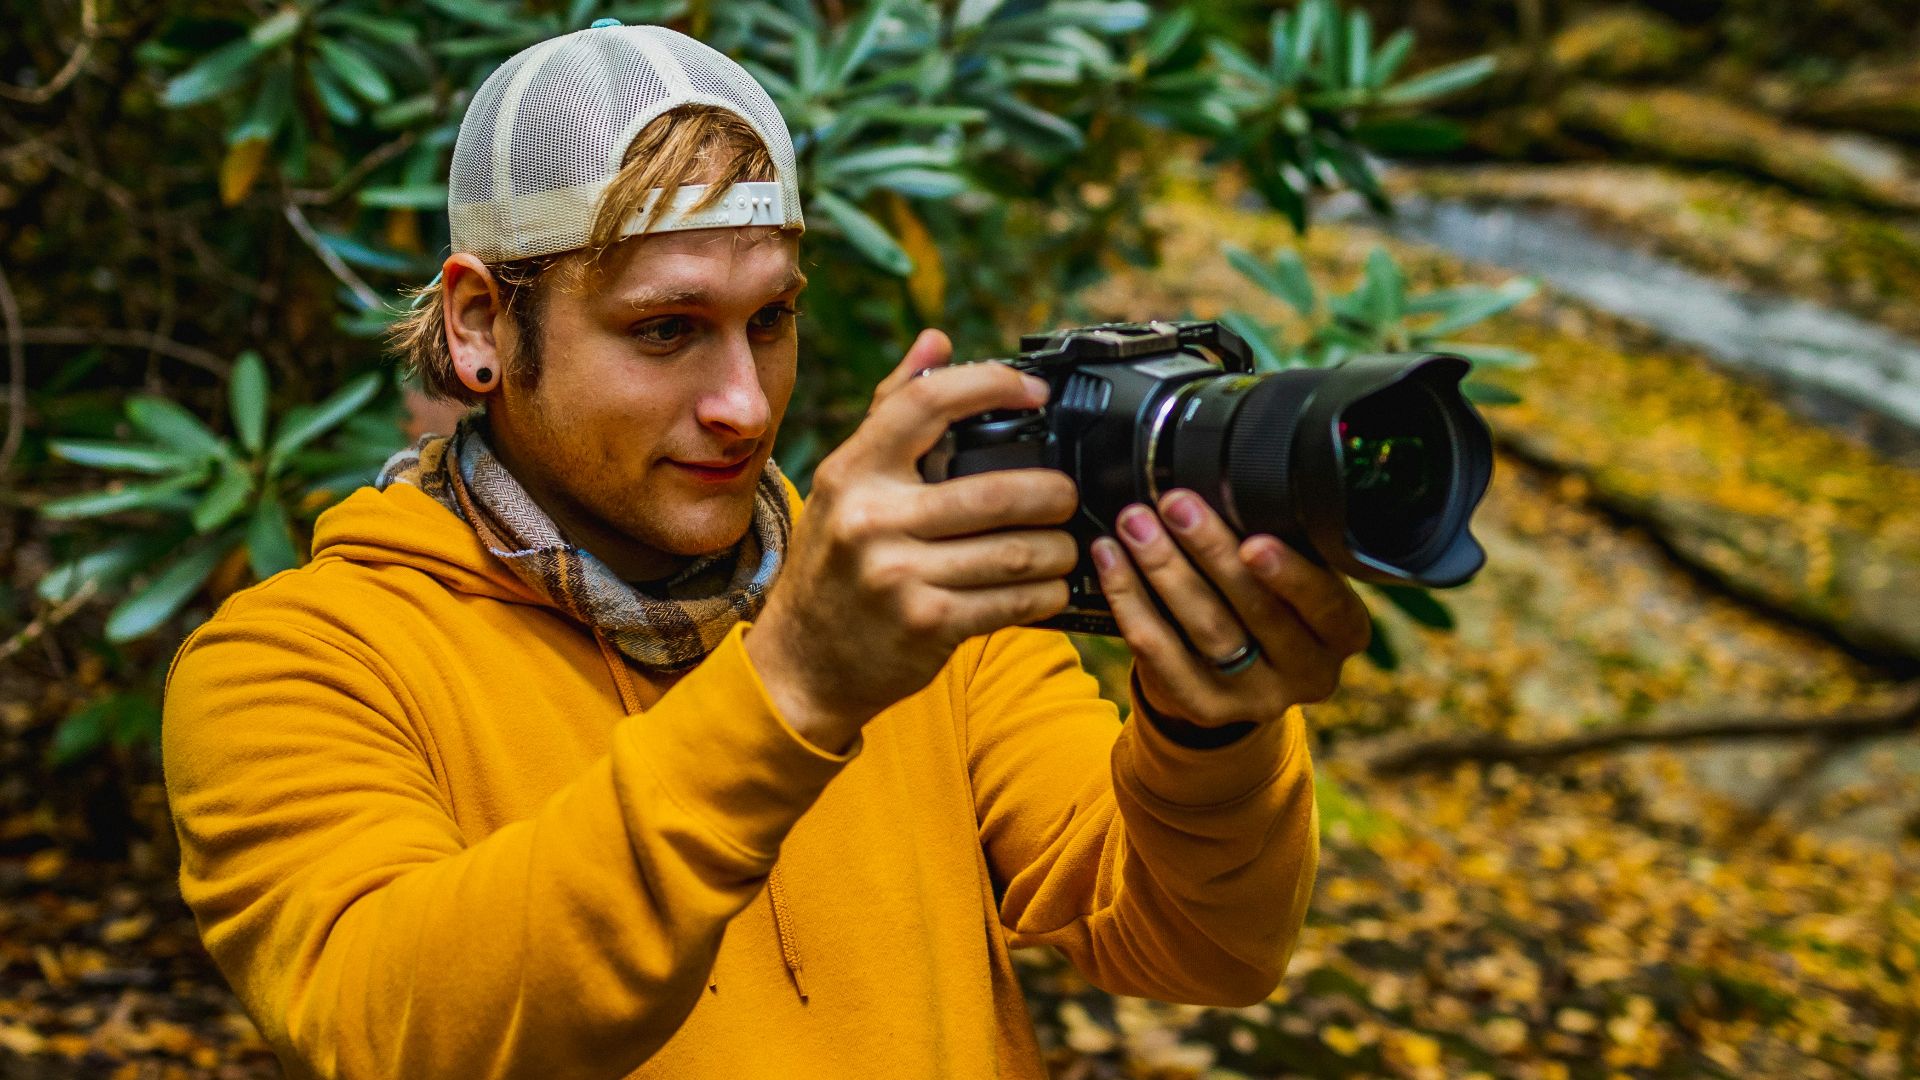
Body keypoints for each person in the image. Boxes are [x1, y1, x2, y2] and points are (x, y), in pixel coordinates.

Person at [161, 21, 1372, 1080]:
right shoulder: (295, 664)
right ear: (482, 323)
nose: (745, 403)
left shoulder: (907, 608)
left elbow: (1201, 946)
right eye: (667, 328)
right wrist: (791, 685)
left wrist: (1212, 729)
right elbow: (405, 1034)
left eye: (772, 318)